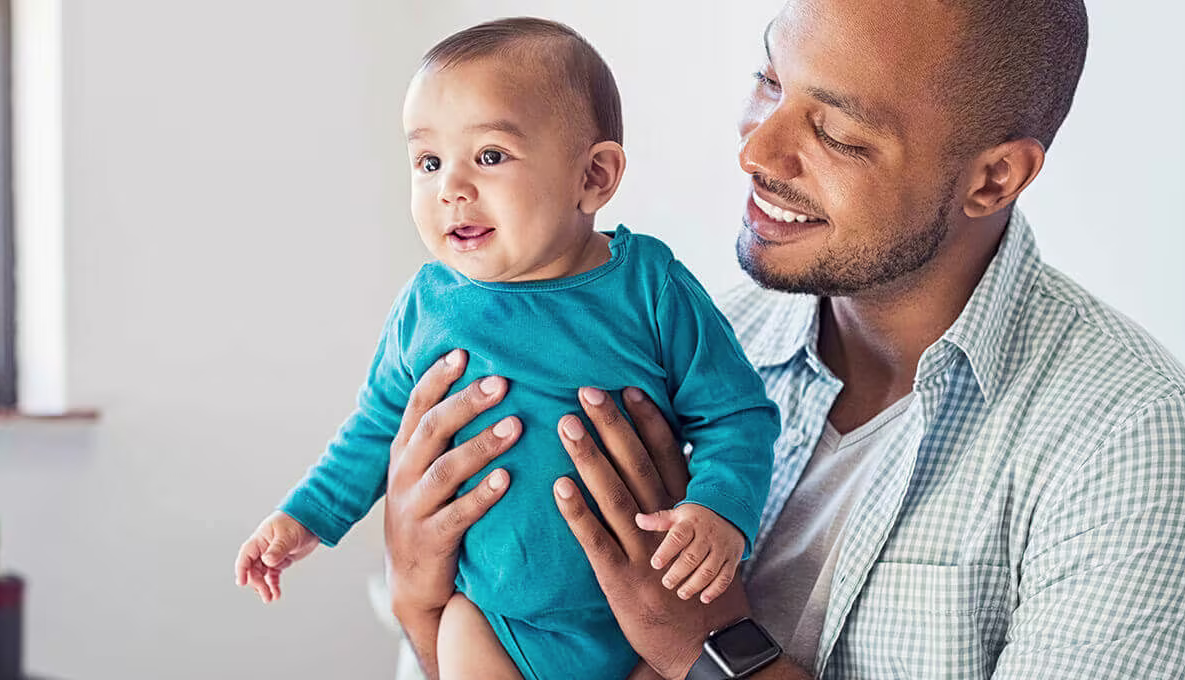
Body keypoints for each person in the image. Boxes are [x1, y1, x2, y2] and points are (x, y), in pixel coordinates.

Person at [382, 1, 1185, 678]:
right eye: (767, 79)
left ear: (994, 177)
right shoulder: (682, 347)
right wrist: (424, 601)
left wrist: (710, 649)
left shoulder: (1133, 440)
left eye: (838, 133)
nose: (758, 150)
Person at [232, 17, 783, 680]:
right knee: (458, 629)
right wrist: (304, 517)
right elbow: (378, 427)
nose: (450, 188)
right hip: (494, 623)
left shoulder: (650, 287)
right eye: (429, 162)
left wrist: (719, 510)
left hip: (647, 627)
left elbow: (736, 417)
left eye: (489, 156)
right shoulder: (428, 304)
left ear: (594, 177)